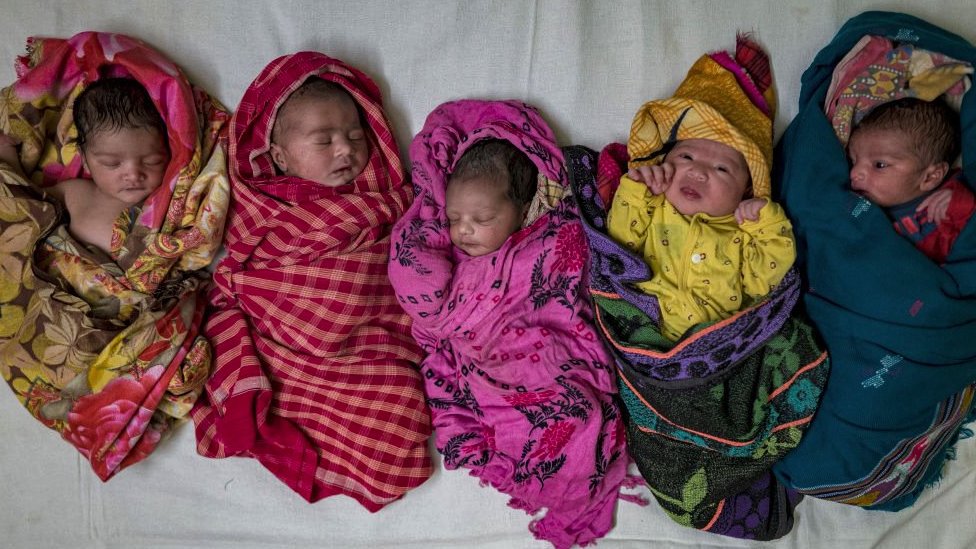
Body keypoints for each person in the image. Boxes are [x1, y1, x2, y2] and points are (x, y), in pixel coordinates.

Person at [607, 136, 795, 342]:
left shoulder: (744, 233)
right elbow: (619, 244)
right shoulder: (649, 207)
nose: (698, 172)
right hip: (643, 327)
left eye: (721, 169)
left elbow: (764, 281)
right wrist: (636, 190)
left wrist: (767, 224)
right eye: (686, 156)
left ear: (746, 190)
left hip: (721, 342)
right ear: (663, 163)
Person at [2, 78, 170, 255]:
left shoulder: (168, 201)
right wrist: (7, 156)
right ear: (85, 161)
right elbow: (25, 202)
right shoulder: (76, 193)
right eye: (111, 163)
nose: (134, 175)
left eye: (152, 161)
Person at [847, 97, 975, 264]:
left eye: (879, 165)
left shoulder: (945, 205)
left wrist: (960, 204)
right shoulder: (862, 203)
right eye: (853, 161)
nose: (855, 173)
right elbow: (844, 222)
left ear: (930, 177)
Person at [444, 138, 537, 257]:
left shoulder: (533, 253)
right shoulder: (449, 256)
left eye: (483, 219)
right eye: (454, 219)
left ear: (524, 214)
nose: (462, 229)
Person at [269, 77, 368, 187]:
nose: (346, 148)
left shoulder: (377, 193)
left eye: (355, 137)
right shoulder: (263, 201)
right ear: (280, 158)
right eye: (323, 141)